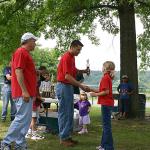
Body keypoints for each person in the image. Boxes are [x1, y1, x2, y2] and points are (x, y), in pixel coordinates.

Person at [1, 32, 37, 150]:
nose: (35, 43)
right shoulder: (21, 52)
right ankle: (5, 143)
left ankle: (20, 144)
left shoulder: (25, 53)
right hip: (23, 93)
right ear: (27, 41)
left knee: (25, 121)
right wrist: (24, 91)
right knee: (21, 119)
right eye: (34, 41)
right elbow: (18, 71)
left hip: (27, 92)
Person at [56, 40, 90, 147]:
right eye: (78, 49)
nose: (79, 52)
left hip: (68, 87)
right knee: (65, 113)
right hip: (64, 86)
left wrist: (83, 71)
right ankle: (64, 138)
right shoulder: (66, 57)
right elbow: (67, 76)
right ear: (72, 47)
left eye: (80, 50)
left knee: (69, 112)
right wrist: (81, 85)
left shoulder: (72, 58)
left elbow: (73, 71)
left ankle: (67, 136)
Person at [90, 61, 115, 150]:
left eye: (102, 66)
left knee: (106, 126)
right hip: (107, 104)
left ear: (105, 68)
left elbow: (106, 92)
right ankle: (104, 145)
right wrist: (91, 89)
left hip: (106, 104)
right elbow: (102, 90)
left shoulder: (105, 78)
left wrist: (95, 95)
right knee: (105, 125)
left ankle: (108, 147)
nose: (101, 68)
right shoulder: (107, 77)